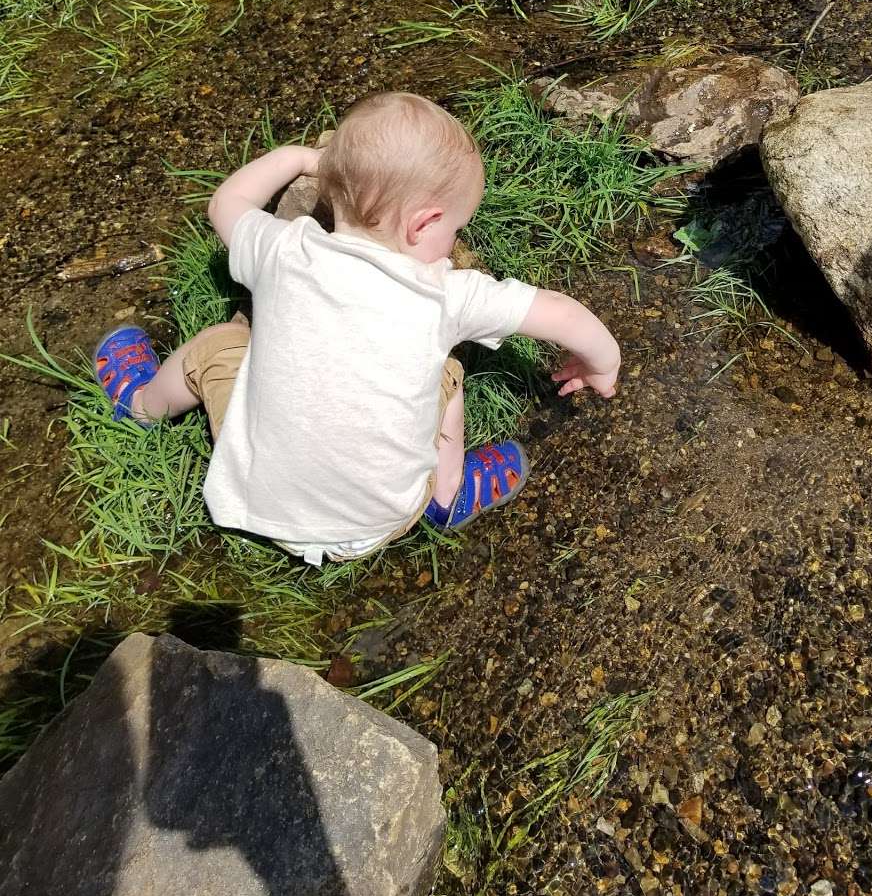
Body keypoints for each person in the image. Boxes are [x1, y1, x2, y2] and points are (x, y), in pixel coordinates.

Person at [93, 93, 621, 565]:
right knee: (450, 373)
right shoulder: (445, 294)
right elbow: (561, 314)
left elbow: (225, 205)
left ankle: (139, 405)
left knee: (218, 344)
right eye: (456, 227)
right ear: (423, 224)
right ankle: (444, 498)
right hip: (380, 522)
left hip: (258, 503)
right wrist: (603, 364)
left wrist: (299, 159)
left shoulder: (285, 249)